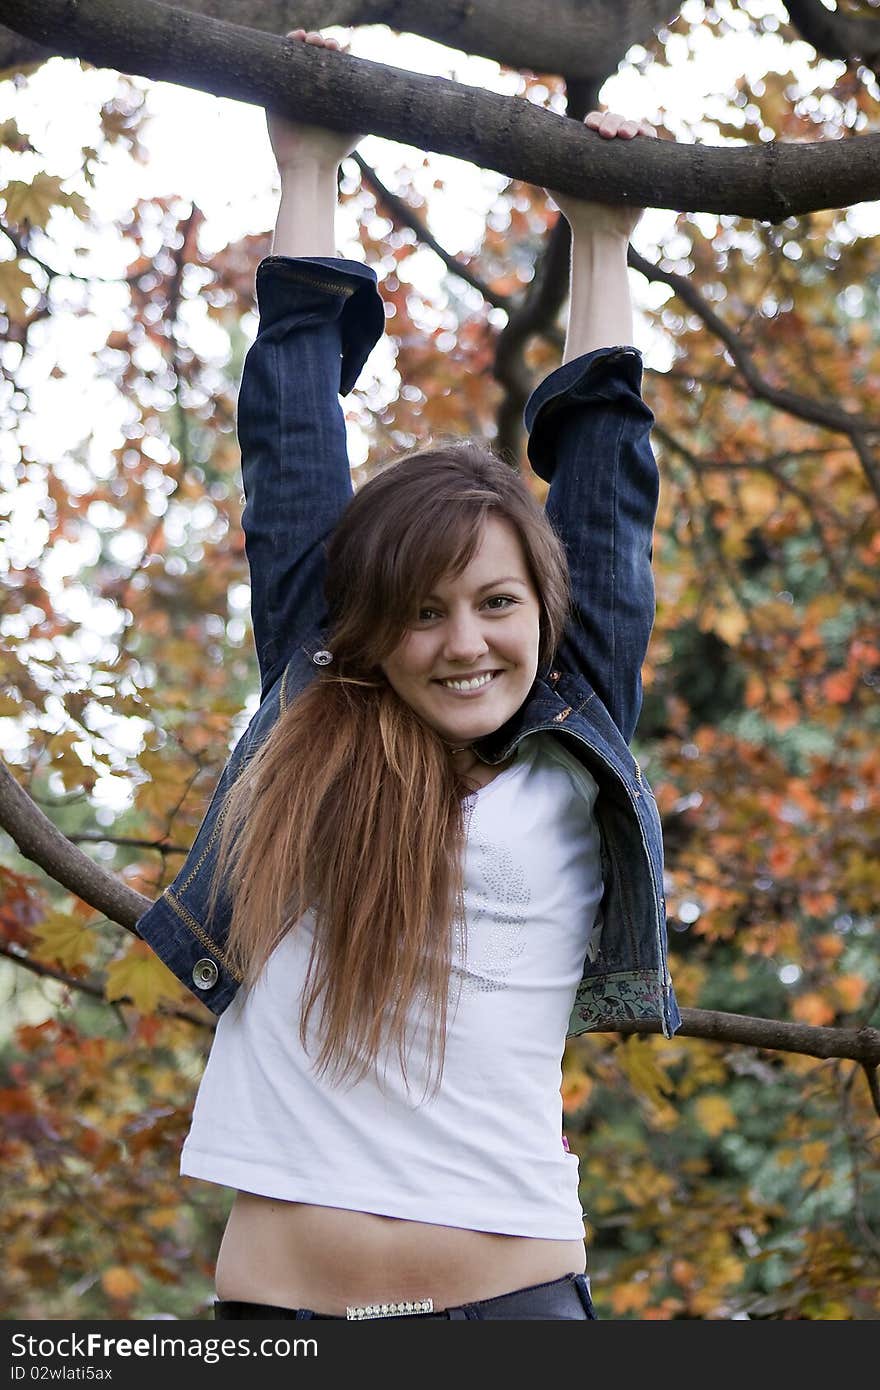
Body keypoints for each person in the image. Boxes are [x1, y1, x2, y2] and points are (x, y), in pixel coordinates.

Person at [134, 29, 681, 1321]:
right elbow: (290, 441)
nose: (466, 641)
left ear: (542, 620)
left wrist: (601, 239)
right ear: (370, 629)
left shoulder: (572, 734)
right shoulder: (312, 701)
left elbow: (607, 493)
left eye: (497, 603)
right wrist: (308, 161)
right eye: (424, 611)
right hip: (274, 1318)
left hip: (512, 1305)